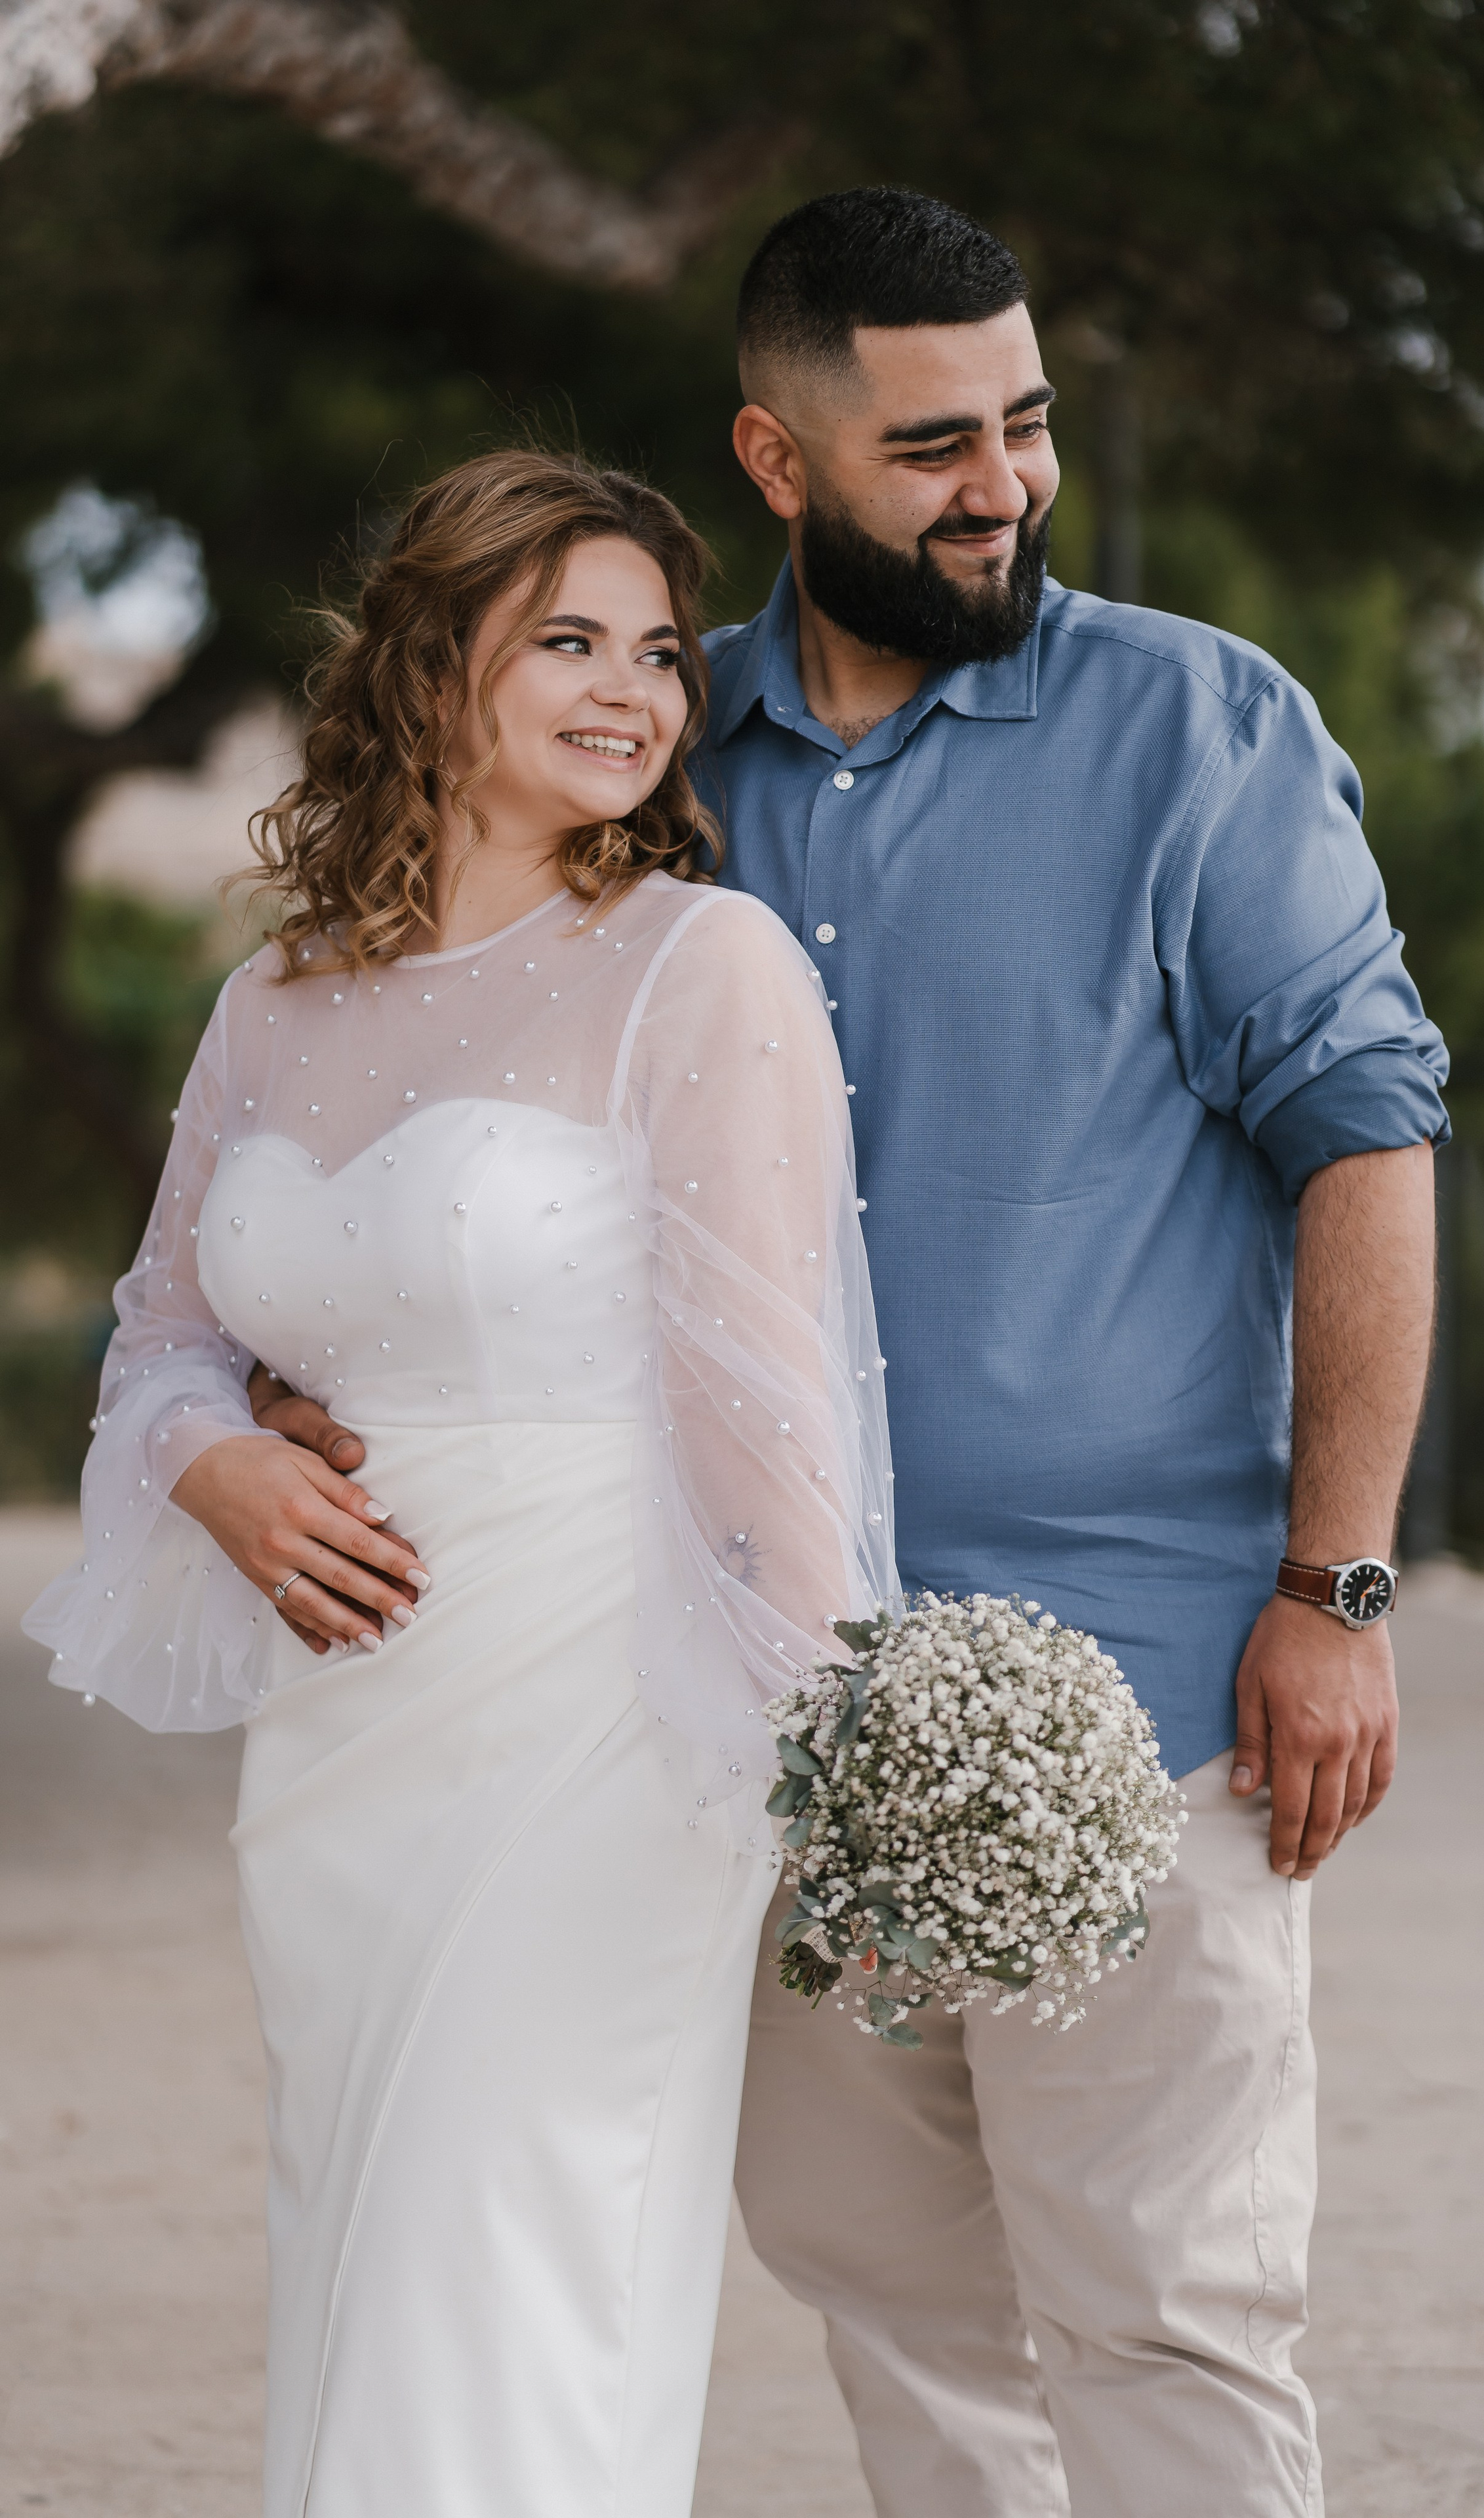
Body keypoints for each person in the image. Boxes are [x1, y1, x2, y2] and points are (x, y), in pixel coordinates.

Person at [224, 190, 1445, 2516]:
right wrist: (336, 1346)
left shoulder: (1201, 730)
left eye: (1028, 425)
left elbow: (1369, 1139)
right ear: (776, 465)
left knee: (1168, 2301)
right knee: (879, 2278)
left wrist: (1341, 1587)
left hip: (1146, 1673)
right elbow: (460, 1096)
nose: (1001, 485)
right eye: (929, 446)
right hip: (737, 1714)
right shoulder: (648, 767)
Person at [25, 449, 896, 2518]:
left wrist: (826, 1764)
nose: (632, 689)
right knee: (358, 2231)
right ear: (431, 668)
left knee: (505, 2248)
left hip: (601, 1711)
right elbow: (156, 1335)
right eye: (568, 639)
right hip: (346, 1733)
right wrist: (213, 1458)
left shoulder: (702, 968)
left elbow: (772, 1411)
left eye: (662, 653)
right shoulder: (273, 999)